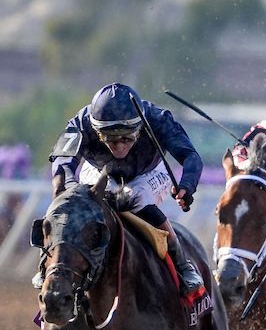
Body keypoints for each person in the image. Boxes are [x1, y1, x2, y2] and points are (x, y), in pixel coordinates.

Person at [45, 82, 205, 295]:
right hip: (101, 171)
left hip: (149, 173)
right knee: (77, 204)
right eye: (109, 138)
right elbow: (62, 160)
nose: (119, 146)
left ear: (139, 126)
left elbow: (190, 156)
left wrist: (187, 185)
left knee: (134, 197)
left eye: (127, 137)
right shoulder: (82, 122)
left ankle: (182, 263)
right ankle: (50, 265)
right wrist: (67, 189)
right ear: (96, 128)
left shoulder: (157, 118)